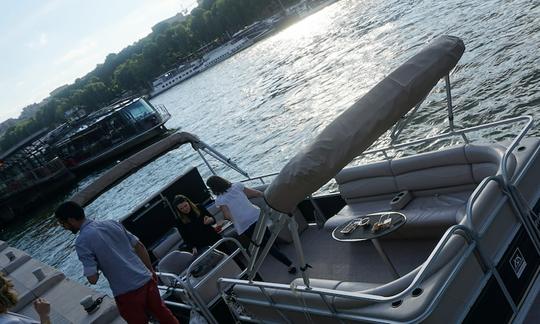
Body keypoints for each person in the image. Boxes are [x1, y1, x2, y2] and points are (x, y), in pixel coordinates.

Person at [54, 201, 179, 324]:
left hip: (127, 292)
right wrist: (150, 271)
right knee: (164, 315)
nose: (64, 227)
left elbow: (92, 279)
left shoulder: (82, 242)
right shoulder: (112, 223)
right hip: (146, 279)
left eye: (62, 223)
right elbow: (139, 246)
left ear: (70, 220)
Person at [206, 175, 296, 274]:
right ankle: (283, 257)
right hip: (257, 216)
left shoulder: (220, 199)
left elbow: (227, 216)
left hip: (245, 225)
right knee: (269, 239)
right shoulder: (237, 186)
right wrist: (268, 196)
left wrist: (225, 221)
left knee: (267, 246)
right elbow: (255, 193)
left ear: (213, 188)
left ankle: (289, 264)